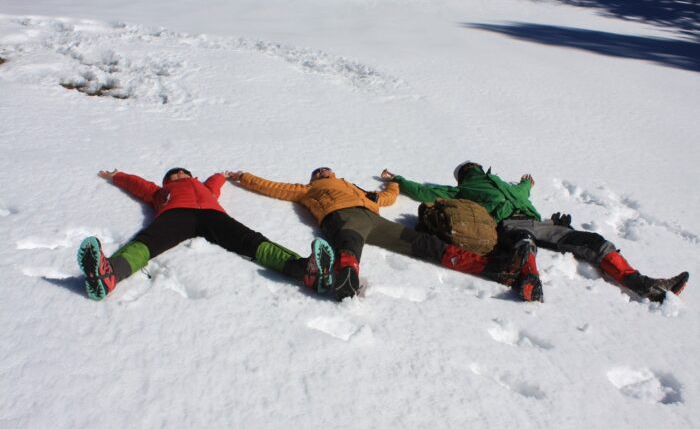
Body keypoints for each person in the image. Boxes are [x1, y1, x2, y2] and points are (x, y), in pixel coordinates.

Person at [381, 162, 689, 303]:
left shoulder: (501, 184)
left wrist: (527, 181)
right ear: (469, 173)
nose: (472, 171)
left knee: (592, 241)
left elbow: (523, 187)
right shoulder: (463, 190)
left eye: (472, 169)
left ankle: (643, 284)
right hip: (511, 224)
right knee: (523, 241)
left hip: (538, 223)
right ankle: (529, 279)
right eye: (469, 170)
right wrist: (399, 180)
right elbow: (426, 190)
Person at [226, 167, 495, 301]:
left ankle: (494, 267)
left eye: (326, 170)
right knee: (348, 241)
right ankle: (347, 276)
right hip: (343, 216)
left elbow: (385, 198)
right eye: (319, 172)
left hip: (373, 218)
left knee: (421, 243)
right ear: (315, 178)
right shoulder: (309, 189)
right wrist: (245, 177)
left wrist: (394, 184)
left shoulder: (355, 188)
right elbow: (275, 187)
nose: (323, 172)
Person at [77, 167, 334, 301]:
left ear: (192, 176)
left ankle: (306, 272)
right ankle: (109, 274)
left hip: (214, 217)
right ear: (166, 182)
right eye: (172, 175)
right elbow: (139, 185)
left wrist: (222, 176)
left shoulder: (205, 188)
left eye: (182, 172)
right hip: (176, 215)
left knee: (252, 242)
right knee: (146, 243)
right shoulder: (160, 193)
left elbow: (214, 183)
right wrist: (118, 176)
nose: (178, 175)